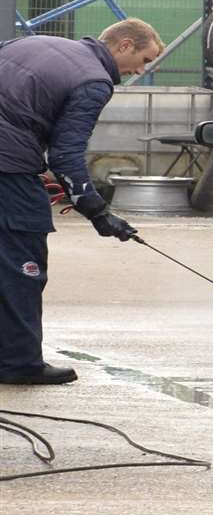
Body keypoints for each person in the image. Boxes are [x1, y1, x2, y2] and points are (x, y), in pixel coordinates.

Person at [0, 20, 161, 385]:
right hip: (7, 167)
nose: (140, 71)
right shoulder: (93, 81)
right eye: (143, 59)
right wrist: (98, 211)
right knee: (21, 264)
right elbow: (67, 155)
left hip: (10, 157)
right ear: (123, 45)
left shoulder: (35, 42)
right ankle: (19, 363)